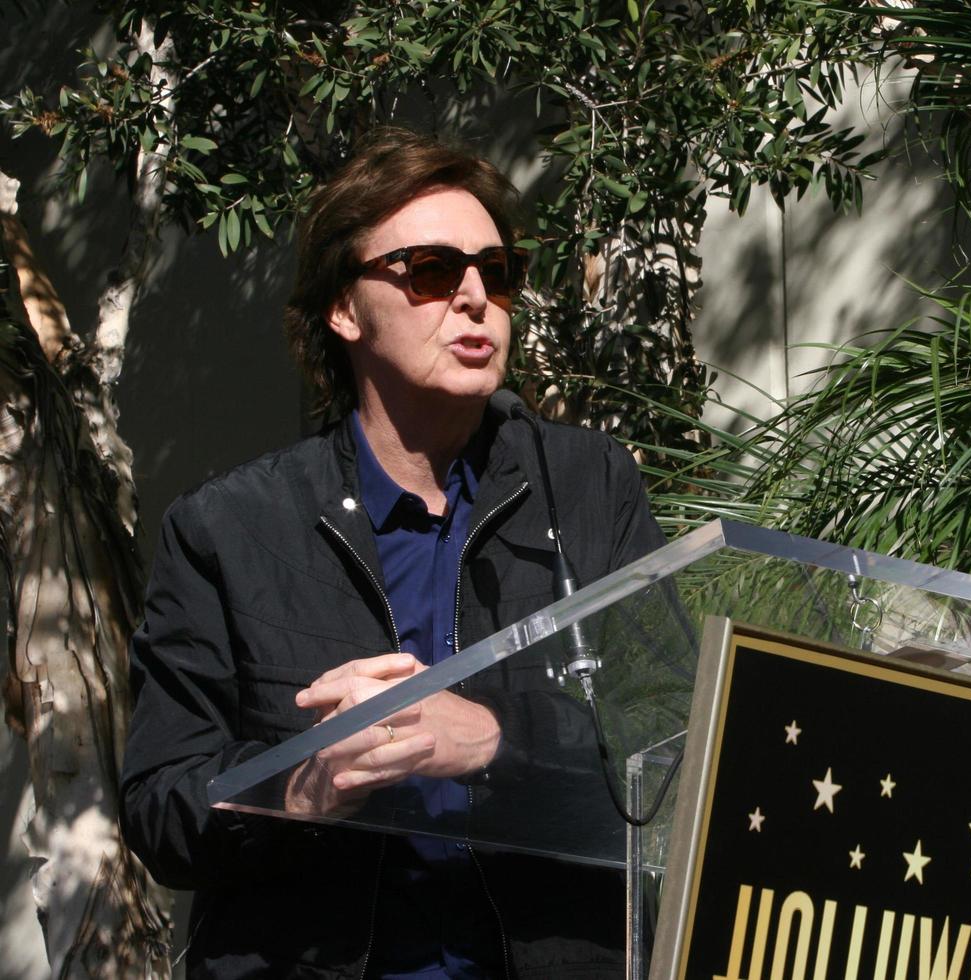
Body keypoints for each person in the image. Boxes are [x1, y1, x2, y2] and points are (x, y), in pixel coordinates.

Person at [120, 126, 665, 979]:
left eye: (499, 271)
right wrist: (298, 789)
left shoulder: (590, 488)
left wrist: (493, 739)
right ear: (344, 309)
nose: (477, 297)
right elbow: (160, 812)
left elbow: (671, 745)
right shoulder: (227, 528)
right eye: (432, 271)